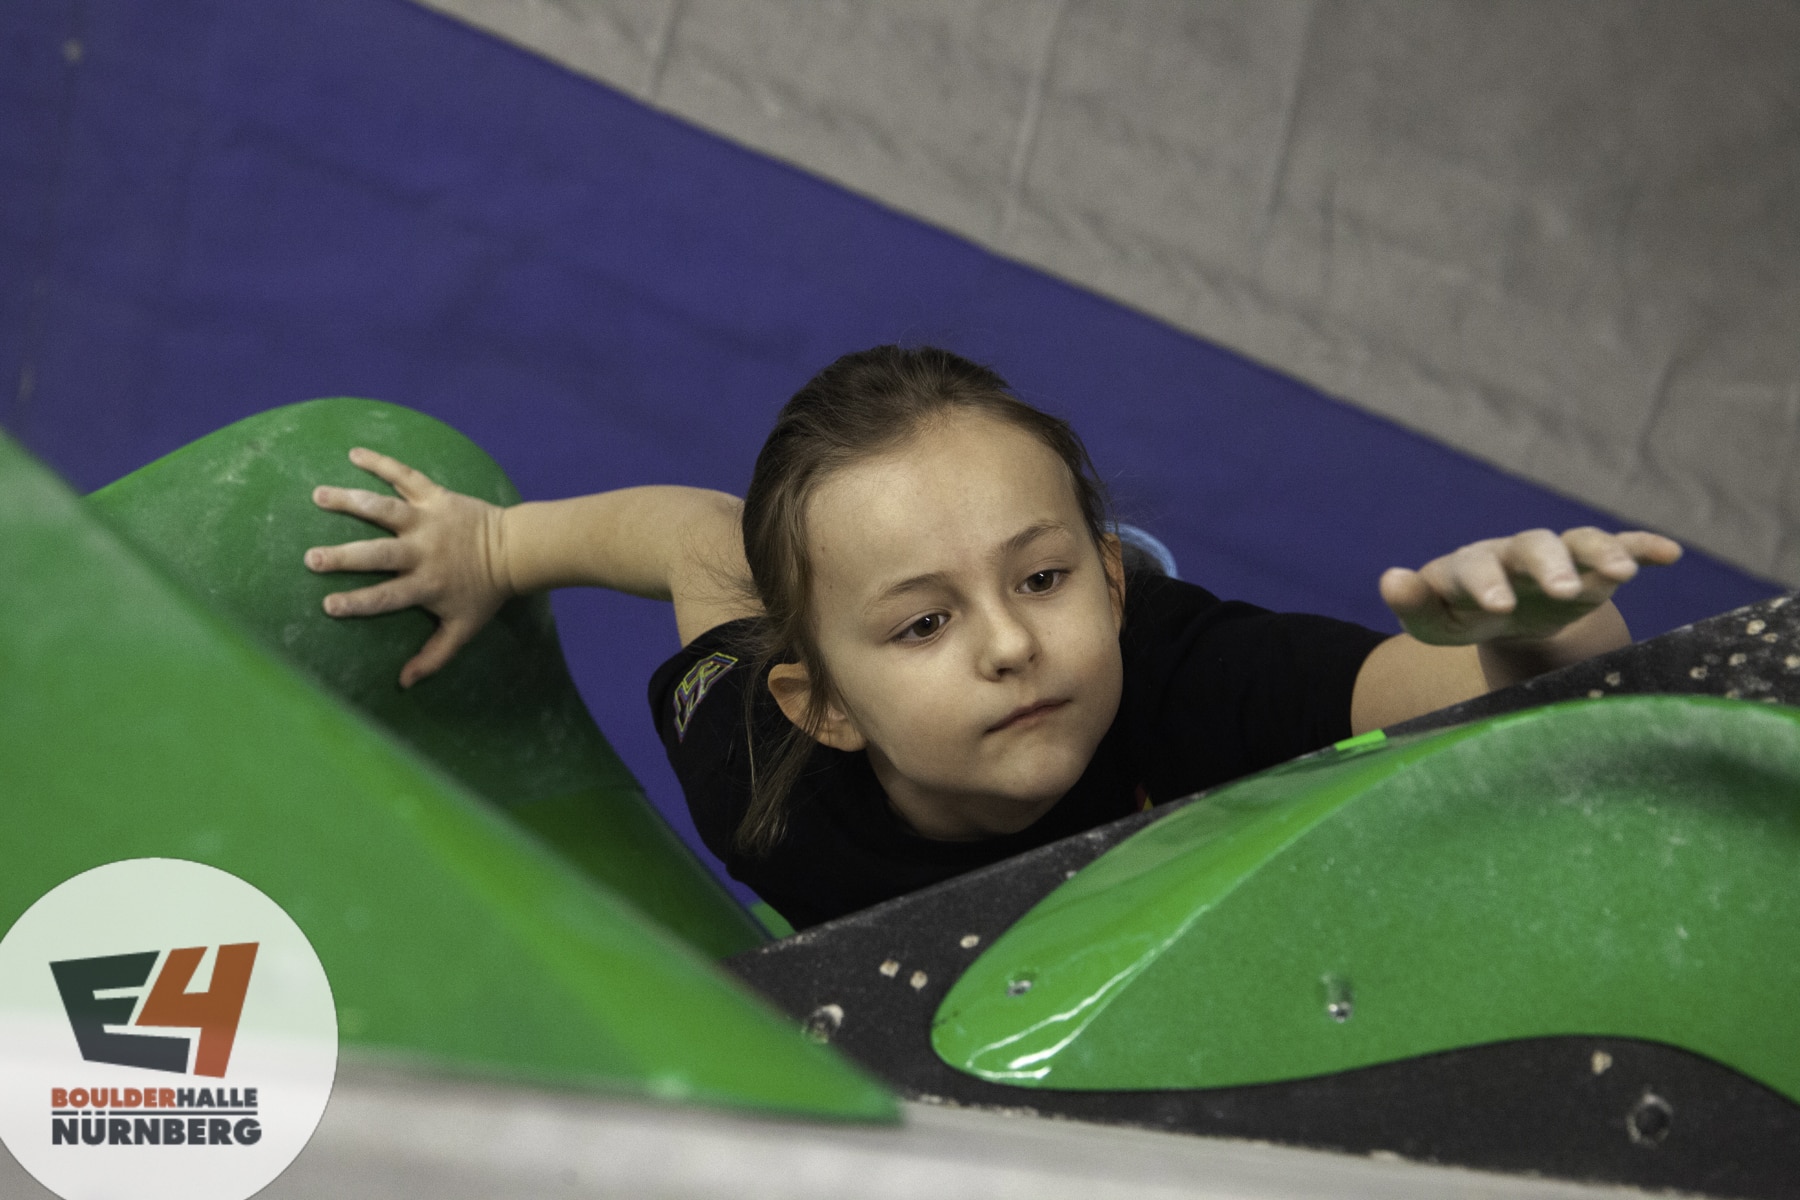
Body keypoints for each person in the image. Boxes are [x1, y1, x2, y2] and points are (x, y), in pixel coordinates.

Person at [304, 346, 1681, 928]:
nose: (1010, 647)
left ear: (1108, 585)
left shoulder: (1180, 676)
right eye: (923, 623)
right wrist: (495, 548)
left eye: (1043, 580)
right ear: (822, 703)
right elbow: (694, 539)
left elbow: (1483, 693)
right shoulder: (759, 772)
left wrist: (1533, 631)